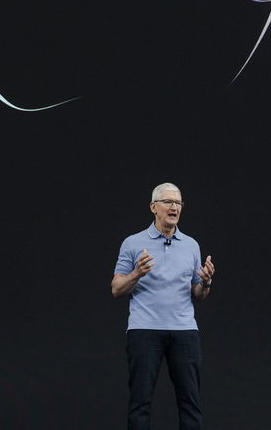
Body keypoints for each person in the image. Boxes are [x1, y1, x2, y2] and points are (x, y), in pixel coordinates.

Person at [112, 182, 215, 430]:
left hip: (184, 332)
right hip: (145, 330)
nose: (174, 207)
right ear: (153, 207)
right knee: (140, 404)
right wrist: (137, 273)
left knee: (191, 404)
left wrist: (206, 283)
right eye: (168, 202)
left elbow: (197, 294)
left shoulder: (191, 245)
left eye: (178, 203)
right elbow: (116, 289)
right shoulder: (133, 243)